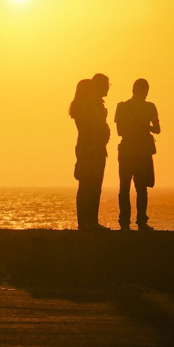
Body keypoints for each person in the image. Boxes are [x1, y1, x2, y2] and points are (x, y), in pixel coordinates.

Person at [114, 78, 161, 231]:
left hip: (126, 150)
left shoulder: (121, 107)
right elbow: (157, 129)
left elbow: (120, 131)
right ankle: (141, 222)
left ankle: (124, 222)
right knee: (141, 189)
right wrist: (145, 127)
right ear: (146, 91)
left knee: (124, 187)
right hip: (142, 152)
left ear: (133, 89)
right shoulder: (150, 107)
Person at [70, 73, 111, 230]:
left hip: (88, 147)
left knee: (87, 185)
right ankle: (89, 222)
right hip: (92, 148)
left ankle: (87, 221)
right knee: (91, 184)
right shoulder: (89, 108)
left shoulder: (82, 108)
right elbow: (97, 127)